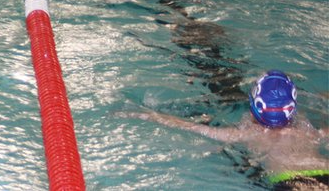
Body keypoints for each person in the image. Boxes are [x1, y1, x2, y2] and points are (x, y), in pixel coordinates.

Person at [134, 71, 329, 189]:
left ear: (255, 105)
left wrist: (145, 115)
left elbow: (193, 127)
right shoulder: (308, 131)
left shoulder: (246, 133)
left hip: (290, 183)